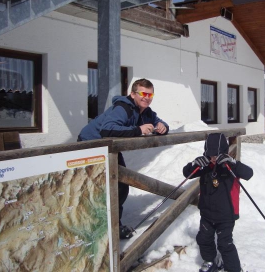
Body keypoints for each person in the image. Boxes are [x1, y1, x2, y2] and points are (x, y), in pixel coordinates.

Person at [78, 78, 169, 239]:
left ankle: (113, 226)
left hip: (109, 149)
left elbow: (158, 121)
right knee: (96, 189)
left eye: (150, 94)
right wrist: (138, 129)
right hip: (89, 146)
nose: (147, 97)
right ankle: (93, 228)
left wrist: (163, 126)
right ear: (133, 94)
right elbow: (107, 130)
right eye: (143, 93)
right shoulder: (123, 108)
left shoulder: (146, 111)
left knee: (120, 186)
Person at [183, 133, 253, 272]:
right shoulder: (205, 166)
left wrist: (232, 162)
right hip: (207, 213)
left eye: (217, 155)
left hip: (226, 215)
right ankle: (210, 261)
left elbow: (248, 173)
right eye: (210, 155)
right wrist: (194, 164)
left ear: (224, 153)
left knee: (225, 243)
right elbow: (187, 173)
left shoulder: (230, 167)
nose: (213, 158)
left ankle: (233, 269)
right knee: (203, 239)